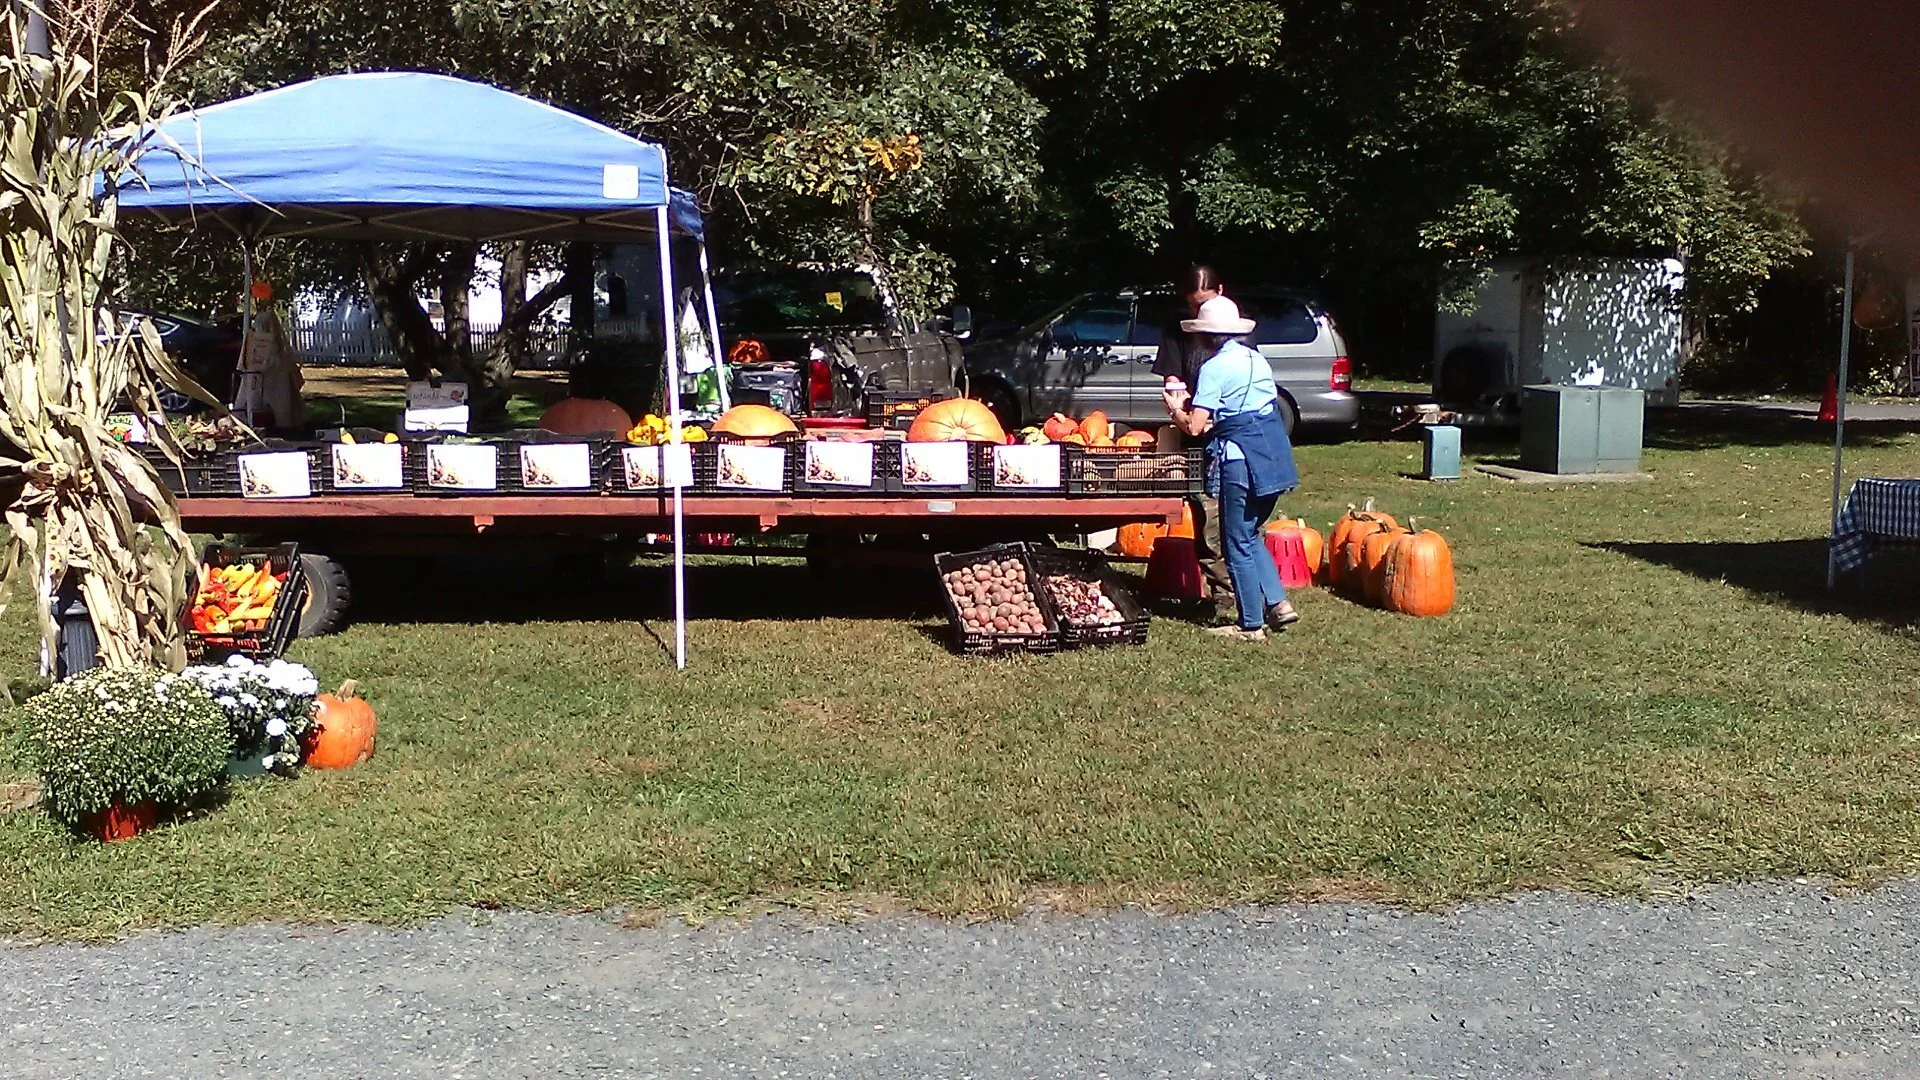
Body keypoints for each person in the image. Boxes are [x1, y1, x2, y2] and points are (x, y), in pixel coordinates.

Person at [1162, 296, 1300, 641]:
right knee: (1252, 533)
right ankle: (1279, 604)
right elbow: (1240, 407)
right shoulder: (1256, 359)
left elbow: (1195, 427)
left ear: (1205, 336)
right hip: (1273, 454)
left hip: (1241, 460)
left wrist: (1175, 409)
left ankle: (1250, 623)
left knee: (1234, 539)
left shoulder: (1213, 368)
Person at [1152, 265, 1237, 621]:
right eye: (1192, 306)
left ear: (1221, 290)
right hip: (1195, 429)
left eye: (1204, 303)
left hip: (1224, 433)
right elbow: (1172, 373)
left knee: (1229, 518)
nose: (1197, 312)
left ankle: (1235, 595)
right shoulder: (1180, 330)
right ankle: (1223, 593)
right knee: (1206, 513)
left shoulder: (1233, 339)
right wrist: (1177, 392)